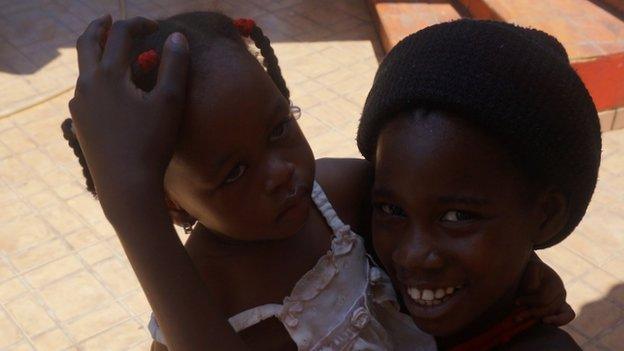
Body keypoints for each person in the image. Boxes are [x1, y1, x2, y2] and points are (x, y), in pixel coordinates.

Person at [65, 13, 574, 351]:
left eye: (279, 129)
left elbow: (440, 214)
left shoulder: (334, 195)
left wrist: (523, 267)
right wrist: (130, 204)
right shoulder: (193, 297)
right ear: (171, 207)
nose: (280, 171)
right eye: (234, 172)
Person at [356, 19, 600, 350]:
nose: (412, 255)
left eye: (457, 217)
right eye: (392, 209)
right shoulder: (362, 275)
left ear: (545, 216)